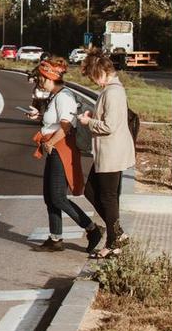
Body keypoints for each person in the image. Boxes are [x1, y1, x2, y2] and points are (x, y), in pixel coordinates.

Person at [26, 57, 103, 253]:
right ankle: (55, 238)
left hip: (61, 149)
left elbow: (67, 125)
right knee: (50, 196)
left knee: (58, 197)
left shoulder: (64, 96)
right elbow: (56, 120)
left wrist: (50, 142)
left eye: (41, 78)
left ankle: (92, 229)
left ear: (49, 77)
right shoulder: (56, 95)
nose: (39, 82)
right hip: (54, 147)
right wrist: (40, 117)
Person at [77, 49, 135, 258]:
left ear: (101, 72)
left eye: (93, 77)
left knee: (107, 197)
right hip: (107, 152)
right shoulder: (111, 90)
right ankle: (116, 234)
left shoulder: (113, 92)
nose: (94, 81)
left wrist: (88, 121)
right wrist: (94, 114)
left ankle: (113, 241)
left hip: (112, 152)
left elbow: (109, 125)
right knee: (93, 192)